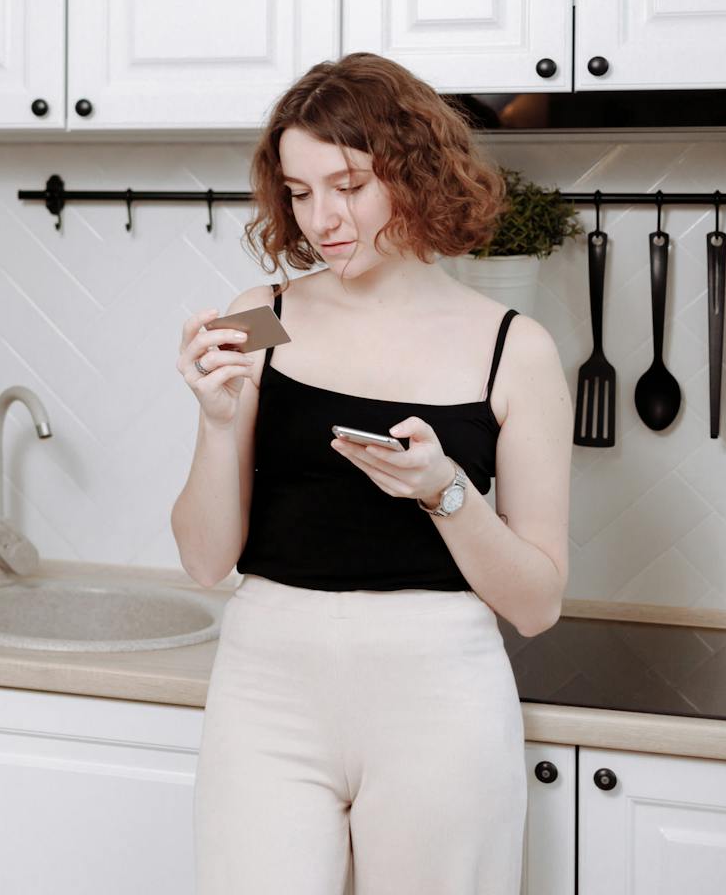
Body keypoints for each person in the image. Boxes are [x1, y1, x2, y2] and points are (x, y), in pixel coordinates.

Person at [172, 54, 572, 894]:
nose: (323, 218)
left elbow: (537, 604)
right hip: (266, 685)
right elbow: (207, 562)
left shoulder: (513, 350)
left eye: (348, 184)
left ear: (412, 171)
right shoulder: (263, 317)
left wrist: (444, 493)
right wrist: (216, 427)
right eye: (301, 190)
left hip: (440, 698)